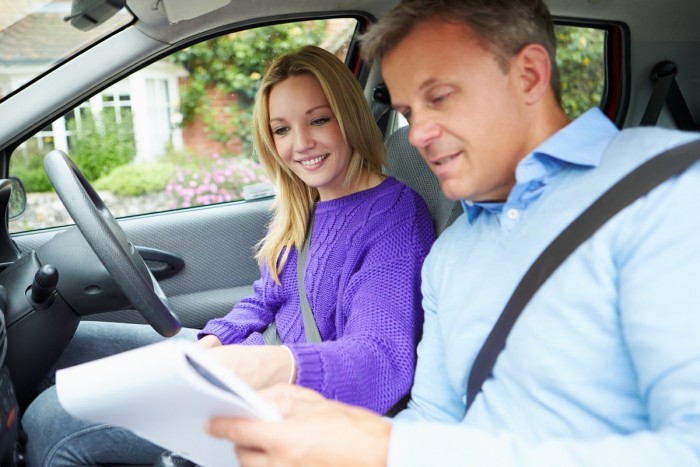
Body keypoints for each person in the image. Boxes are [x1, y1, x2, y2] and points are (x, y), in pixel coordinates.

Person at [204, 0, 700, 465]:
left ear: (528, 75)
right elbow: (433, 418)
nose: (416, 135)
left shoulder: (669, 188)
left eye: (439, 98)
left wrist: (380, 448)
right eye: (408, 114)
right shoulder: (452, 252)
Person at [21, 45, 435, 466]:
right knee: (66, 344)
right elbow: (266, 297)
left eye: (319, 119)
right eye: (282, 130)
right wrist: (217, 340)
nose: (301, 143)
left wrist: (256, 366)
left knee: (51, 423)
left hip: (289, 402)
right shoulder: (307, 203)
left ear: (349, 115)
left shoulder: (395, 217)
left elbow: (380, 358)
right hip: (250, 361)